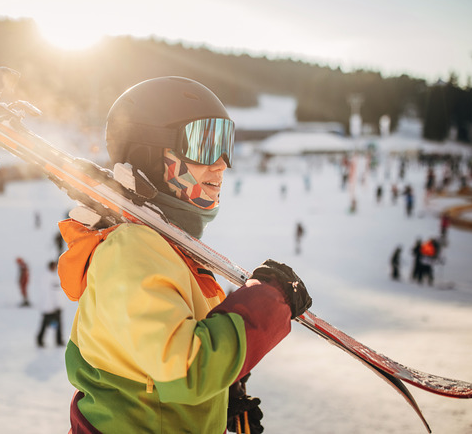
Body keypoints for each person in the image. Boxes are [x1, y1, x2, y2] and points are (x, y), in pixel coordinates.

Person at [57, 77, 311, 433]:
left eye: (224, 145)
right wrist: (270, 302)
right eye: (204, 145)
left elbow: (161, 368)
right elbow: (185, 370)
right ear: (149, 154)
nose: (221, 164)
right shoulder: (130, 250)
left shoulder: (167, 249)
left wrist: (218, 396)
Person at [36, 261, 63, 348]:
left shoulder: (54, 276)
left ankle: (58, 340)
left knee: (57, 325)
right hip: (50, 306)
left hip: (54, 306)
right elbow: (48, 293)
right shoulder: (47, 278)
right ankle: (40, 340)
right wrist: (52, 306)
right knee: (45, 324)